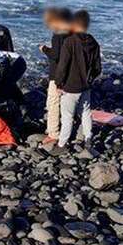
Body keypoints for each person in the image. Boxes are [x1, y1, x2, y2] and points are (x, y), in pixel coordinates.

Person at [54, 10, 102, 150]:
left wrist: (59, 83)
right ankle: (88, 138)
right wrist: (90, 79)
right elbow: (97, 68)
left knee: (67, 117)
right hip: (85, 86)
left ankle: (62, 144)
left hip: (70, 87)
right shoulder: (94, 42)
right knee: (86, 113)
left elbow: (62, 66)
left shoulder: (69, 42)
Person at [39, 8, 73, 144]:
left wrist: (44, 49)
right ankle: (67, 129)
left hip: (57, 74)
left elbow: (57, 55)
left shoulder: (58, 35)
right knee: (67, 103)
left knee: (53, 103)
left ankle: (53, 133)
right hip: (70, 73)